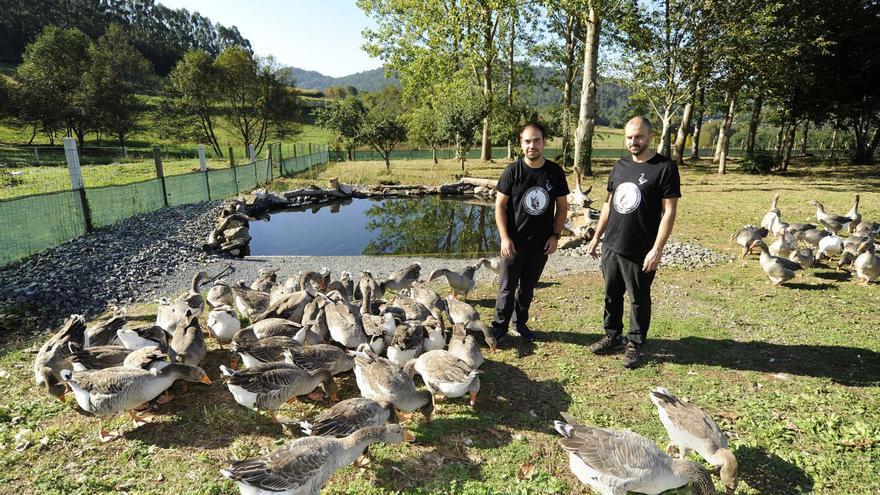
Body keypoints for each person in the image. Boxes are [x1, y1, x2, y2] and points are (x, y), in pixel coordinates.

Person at [586, 116, 680, 368]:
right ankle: (612, 335)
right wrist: (596, 236)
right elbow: (608, 204)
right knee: (611, 294)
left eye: (638, 136)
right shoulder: (620, 167)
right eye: (629, 137)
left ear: (649, 136)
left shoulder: (664, 168)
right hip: (612, 245)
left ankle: (635, 343)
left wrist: (657, 249)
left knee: (638, 298)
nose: (633, 141)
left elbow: (669, 212)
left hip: (640, 249)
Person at [491, 122, 569, 343]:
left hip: (540, 244)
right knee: (506, 288)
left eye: (536, 140)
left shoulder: (554, 172)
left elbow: (562, 207)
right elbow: (499, 207)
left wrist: (555, 235)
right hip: (514, 243)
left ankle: (520, 323)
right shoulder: (512, 172)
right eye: (527, 141)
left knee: (527, 289)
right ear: (521, 143)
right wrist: (505, 238)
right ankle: (499, 328)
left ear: (544, 142)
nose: (531, 145)